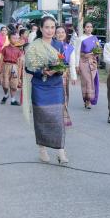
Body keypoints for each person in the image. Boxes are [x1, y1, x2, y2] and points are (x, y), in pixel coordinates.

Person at [24, 16, 68, 164]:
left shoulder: (59, 44)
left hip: (55, 85)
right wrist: (42, 72)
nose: (50, 30)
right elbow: (28, 67)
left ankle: (61, 151)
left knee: (57, 118)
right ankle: (42, 149)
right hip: (40, 86)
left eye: (52, 27)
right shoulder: (34, 46)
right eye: (47, 27)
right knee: (42, 118)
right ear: (41, 28)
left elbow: (64, 63)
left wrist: (58, 71)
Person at [75, 22, 100, 109]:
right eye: (87, 27)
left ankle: (89, 99)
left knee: (91, 81)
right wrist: (76, 65)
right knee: (86, 81)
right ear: (84, 28)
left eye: (91, 27)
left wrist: (95, 54)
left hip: (92, 62)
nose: (89, 28)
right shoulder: (80, 39)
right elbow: (77, 53)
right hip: (83, 61)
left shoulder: (95, 38)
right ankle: (87, 100)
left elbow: (98, 50)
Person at [55, 25, 77, 126]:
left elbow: (72, 63)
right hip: (52, 74)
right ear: (55, 34)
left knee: (64, 94)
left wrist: (74, 76)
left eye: (62, 32)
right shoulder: (50, 46)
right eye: (58, 32)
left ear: (65, 34)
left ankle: (63, 116)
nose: (60, 34)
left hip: (64, 74)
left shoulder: (69, 48)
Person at [0, 31, 24, 106]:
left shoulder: (19, 50)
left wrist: (19, 75)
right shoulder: (5, 48)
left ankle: (13, 100)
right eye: (14, 38)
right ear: (10, 38)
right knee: (5, 84)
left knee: (14, 84)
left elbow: (20, 62)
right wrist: (0, 70)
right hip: (6, 66)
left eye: (17, 38)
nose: (16, 40)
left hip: (15, 67)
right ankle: (6, 95)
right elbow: (1, 59)